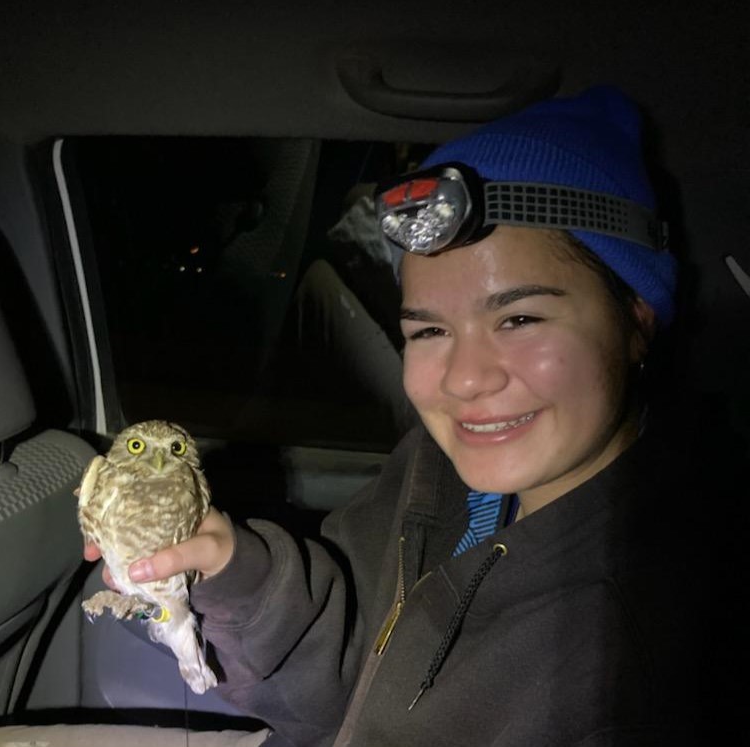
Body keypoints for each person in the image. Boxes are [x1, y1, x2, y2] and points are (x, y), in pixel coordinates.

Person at [85, 87, 717, 746]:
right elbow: (349, 680)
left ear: (637, 321)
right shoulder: (439, 473)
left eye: (520, 317)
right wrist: (235, 572)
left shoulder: (652, 660)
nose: (465, 378)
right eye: (428, 331)